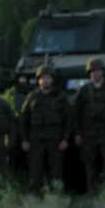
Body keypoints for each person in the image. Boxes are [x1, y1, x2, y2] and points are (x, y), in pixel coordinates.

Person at [73, 58, 105, 191]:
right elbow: (75, 113)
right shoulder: (84, 90)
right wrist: (77, 133)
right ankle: (92, 190)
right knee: (90, 163)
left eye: (98, 70)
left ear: (103, 71)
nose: (96, 73)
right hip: (88, 132)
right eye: (93, 71)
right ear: (89, 73)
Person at [18, 64, 72, 194]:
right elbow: (23, 119)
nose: (45, 80)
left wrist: (65, 138)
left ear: (52, 79)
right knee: (35, 170)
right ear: (38, 80)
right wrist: (24, 139)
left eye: (48, 78)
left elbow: (68, 120)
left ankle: (56, 196)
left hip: (55, 139)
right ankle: (35, 196)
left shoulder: (61, 97)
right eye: (42, 78)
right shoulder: (32, 97)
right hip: (36, 140)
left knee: (56, 171)